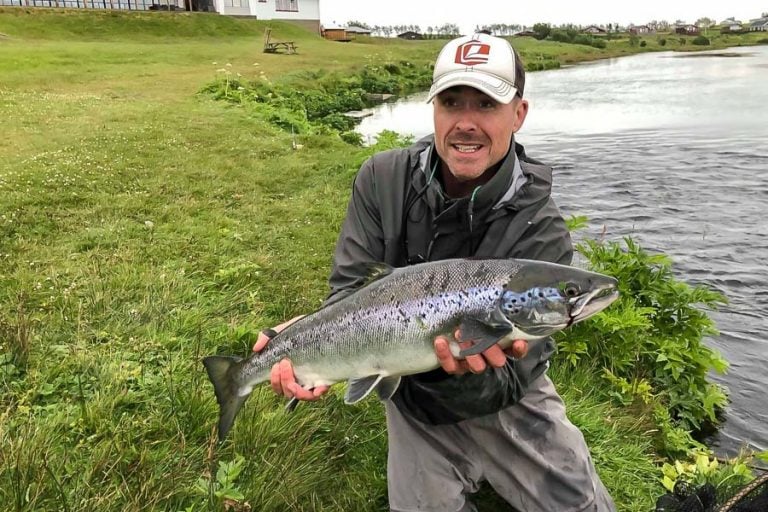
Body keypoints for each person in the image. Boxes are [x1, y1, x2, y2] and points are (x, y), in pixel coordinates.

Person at [254, 33, 616, 512]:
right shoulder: (382, 179)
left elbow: (512, 379)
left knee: (582, 506)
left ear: (519, 114)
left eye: (486, 104)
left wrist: (468, 372)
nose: (466, 123)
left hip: (507, 390)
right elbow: (348, 294)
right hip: (407, 385)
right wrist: (305, 340)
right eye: (451, 102)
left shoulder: (540, 228)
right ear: (434, 109)